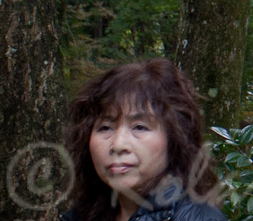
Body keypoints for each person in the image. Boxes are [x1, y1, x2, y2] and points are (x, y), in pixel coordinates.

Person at [64, 59, 226, 221]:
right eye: (105, 127)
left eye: (139, 127)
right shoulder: (82, 215)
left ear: (175, 139)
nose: (118, 144)